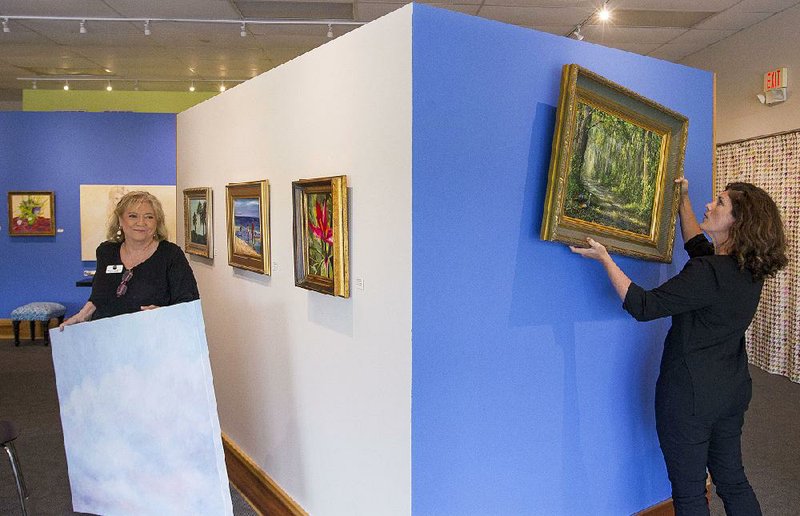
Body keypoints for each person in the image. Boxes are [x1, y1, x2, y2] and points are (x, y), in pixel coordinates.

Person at [570, 178, 787, 515]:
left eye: (719, 203)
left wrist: (605, 259)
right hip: (731, 389)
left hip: (689, 397)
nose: (709, 205)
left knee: (688, 494)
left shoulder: (708, 273)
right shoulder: (749, 269)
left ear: (737, 222)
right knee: (732, 479)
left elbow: (644, 306)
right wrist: (683, 199)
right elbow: (698, 247)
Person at [61, 191, 199, 327]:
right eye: (133, 216)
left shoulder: (171, 254)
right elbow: (98, 297)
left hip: (151, 339)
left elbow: (189, 304)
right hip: (107, 337)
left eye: (149, 217)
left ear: (157, 222)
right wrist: (81, 315)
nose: (141, 222)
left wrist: (162, 314)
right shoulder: (106, 252)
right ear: (120, 220)